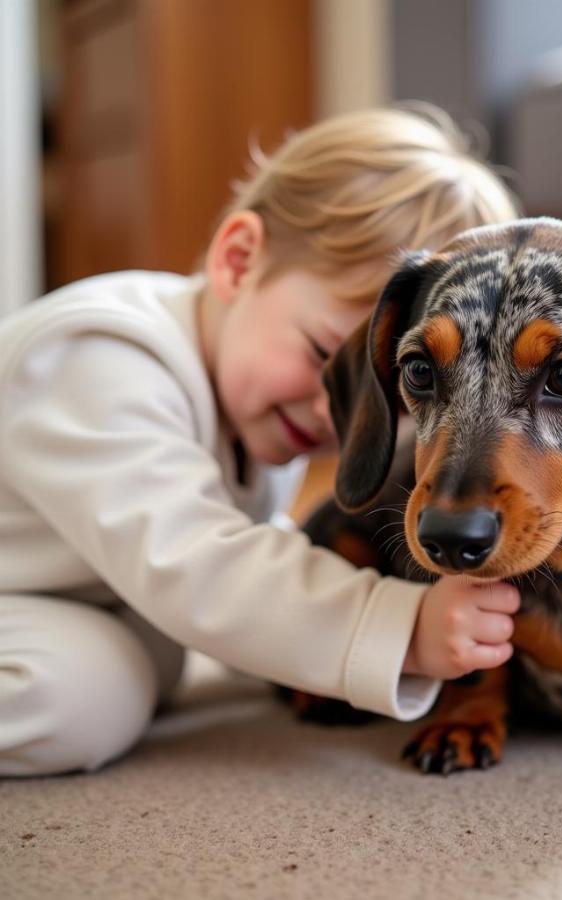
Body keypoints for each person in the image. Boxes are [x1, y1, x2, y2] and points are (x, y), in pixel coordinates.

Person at [0, 105, 521, 777]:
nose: (335, 414)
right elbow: (194, 561)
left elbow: (249, 556)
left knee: (150, 658)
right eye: (322, 355)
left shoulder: (255, 410)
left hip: (52, 592)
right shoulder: (98, 355)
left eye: (380, 388)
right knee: (77, 697)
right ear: (240, 261)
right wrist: (399, 629)